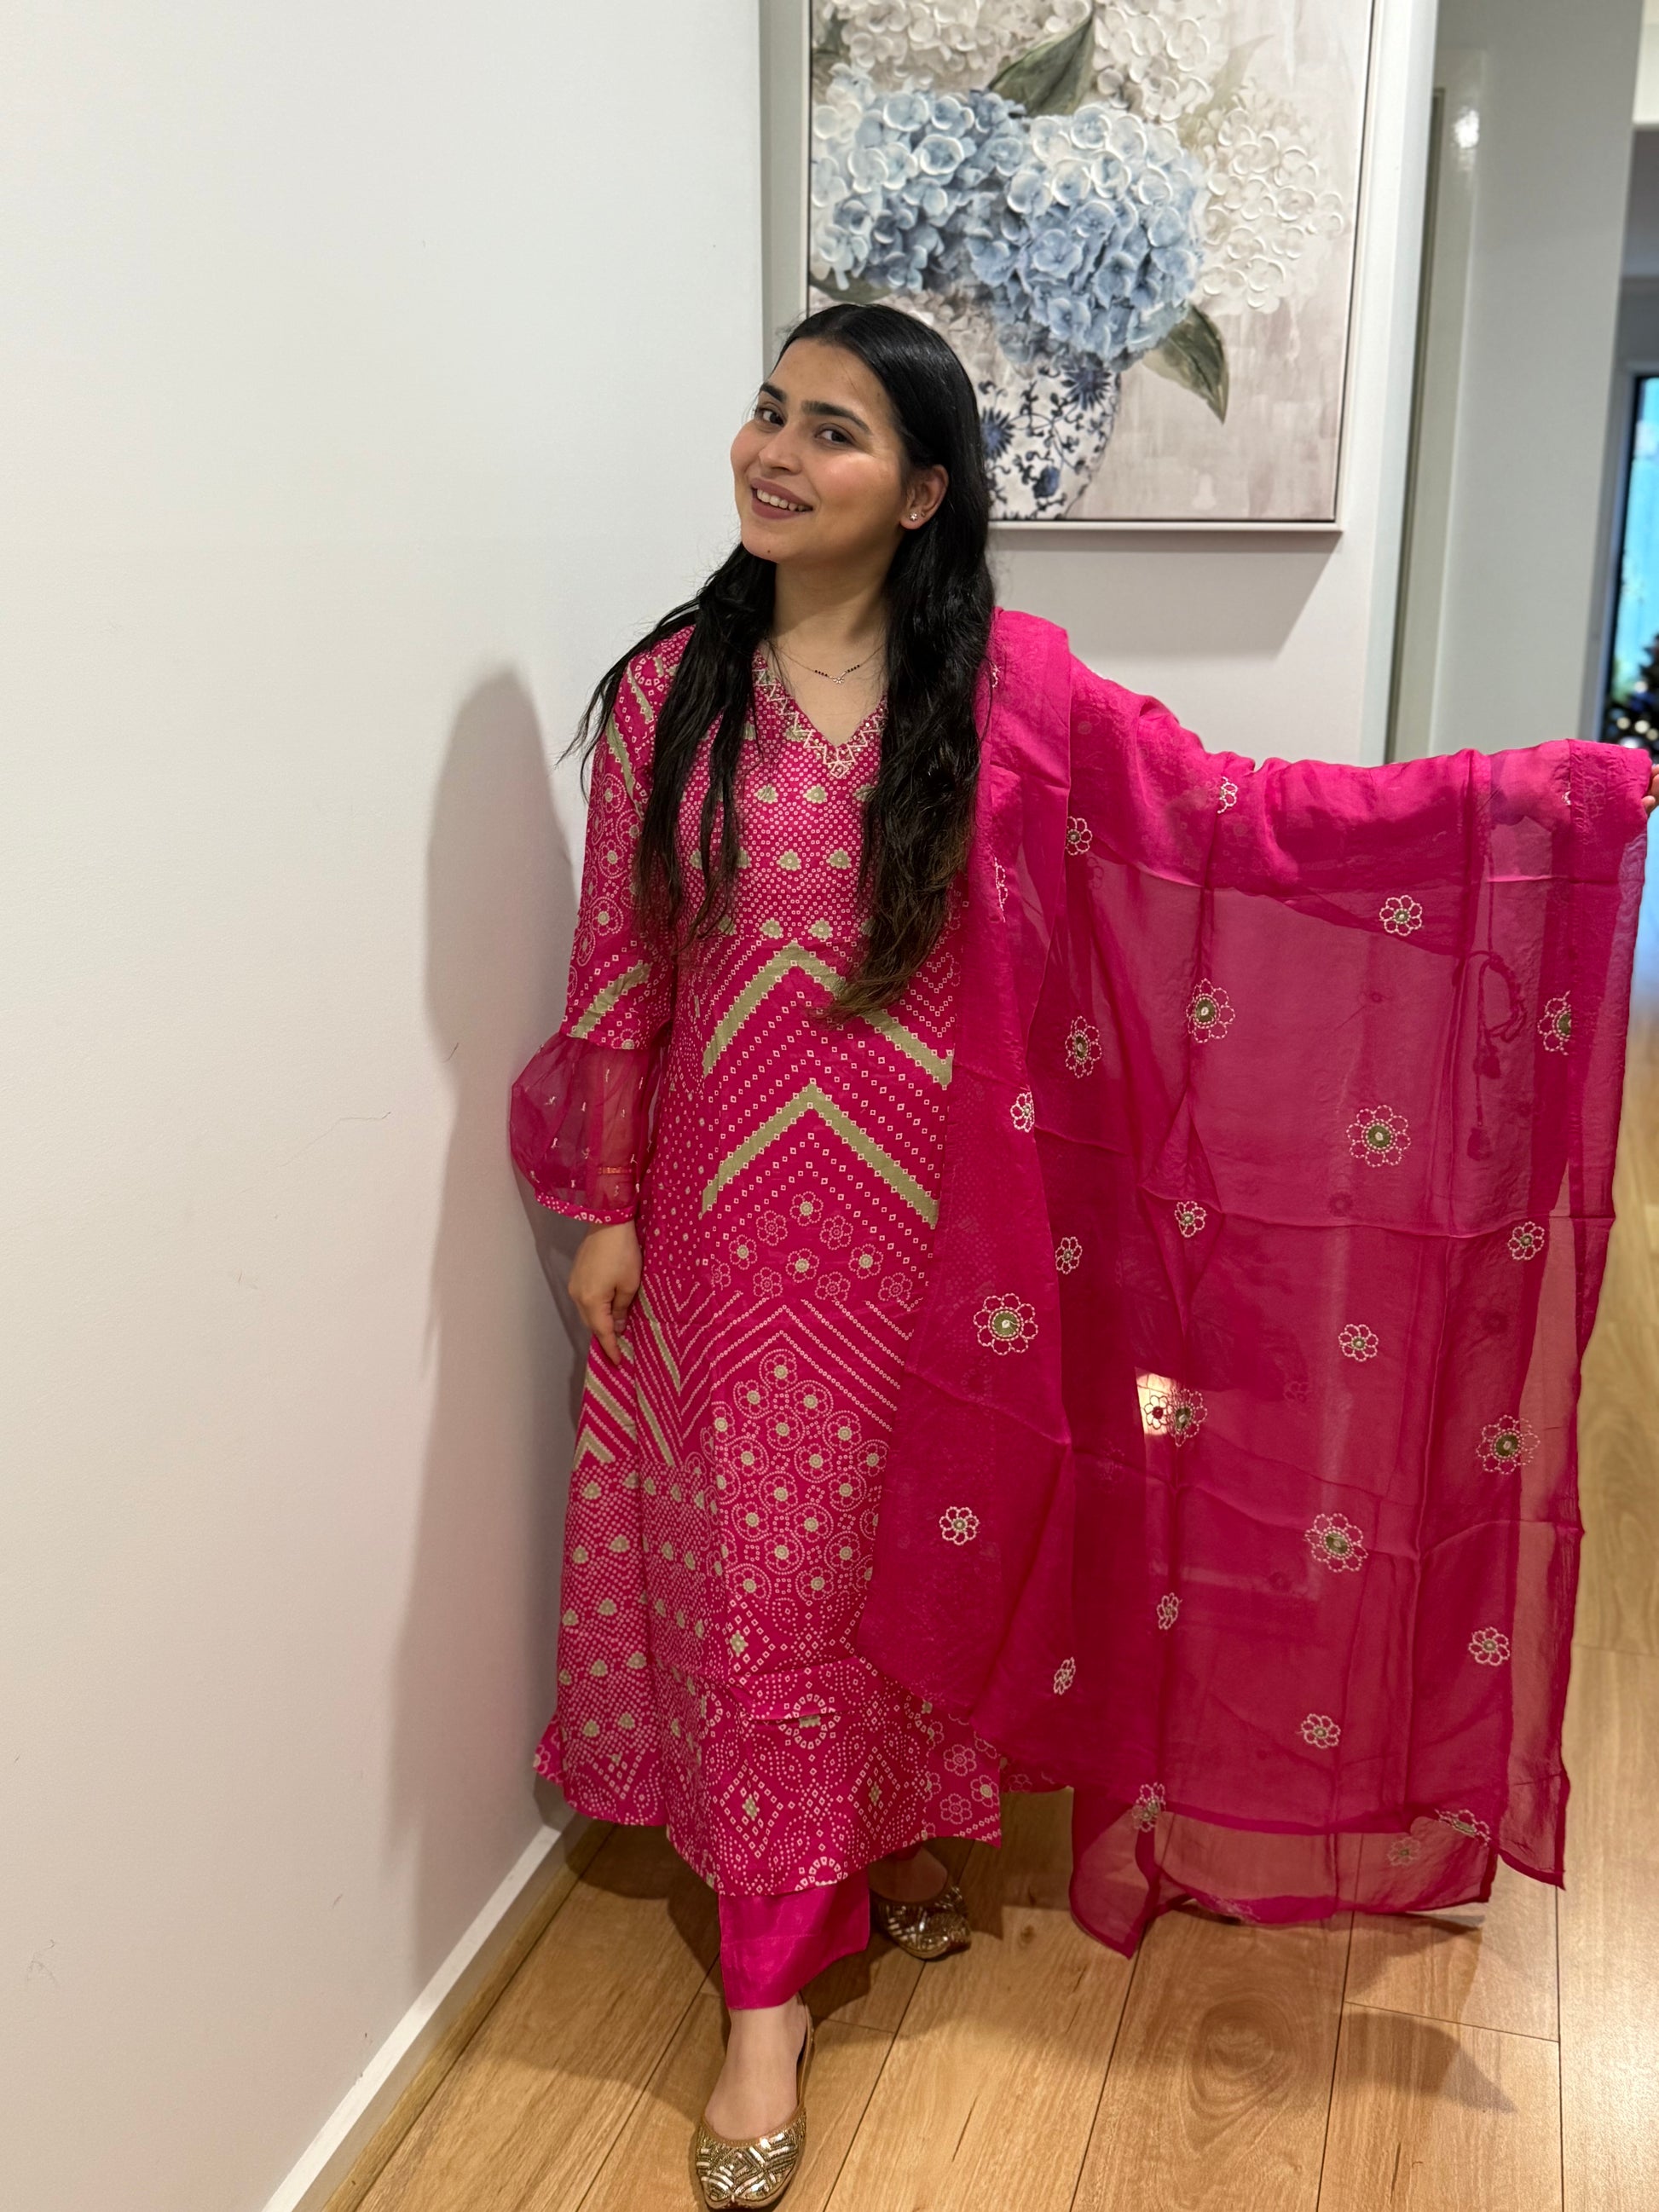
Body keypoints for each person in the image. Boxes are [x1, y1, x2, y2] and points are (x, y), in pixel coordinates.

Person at [511, 302, 1658, 2209]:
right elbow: (620, 960)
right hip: (732, 1223)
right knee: (763, 1576)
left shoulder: (1007, 690)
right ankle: (765, 2001)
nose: (774, 454)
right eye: (769, 412)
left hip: (949, 1219)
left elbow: (1235, 821)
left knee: (917, 1534)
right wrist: (607, 1199)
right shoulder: (668, 696)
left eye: (833, 431)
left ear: (924, 491)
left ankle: (893, 1834)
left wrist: (1542, 801)